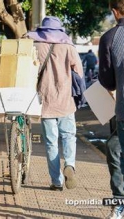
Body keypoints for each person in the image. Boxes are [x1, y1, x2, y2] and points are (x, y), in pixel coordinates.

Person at [27, 16, 83, 191]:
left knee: (51, 142)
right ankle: (70, 165)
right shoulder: (68, 46)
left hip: (45, 100)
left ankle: (56, 181)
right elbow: (79, 73)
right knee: (68, 136)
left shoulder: (35, 45)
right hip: (66, 100)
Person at [98, 0, 124, 217]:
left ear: (116, 12)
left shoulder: (110, 37)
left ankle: (120, 203)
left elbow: (108, 81)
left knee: (115, 152)